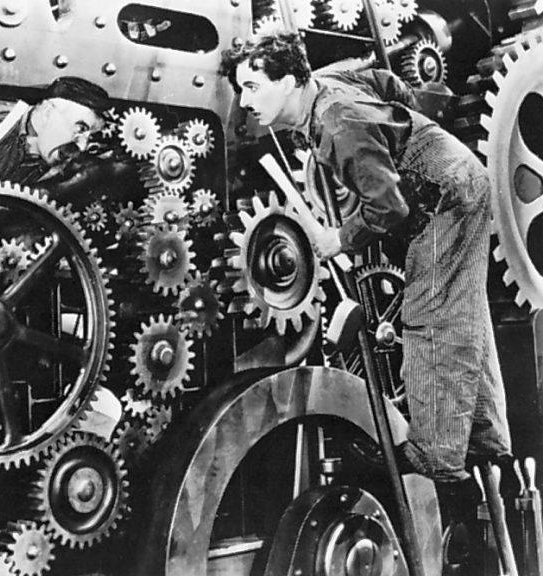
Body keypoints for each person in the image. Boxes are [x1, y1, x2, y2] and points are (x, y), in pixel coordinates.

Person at [221, 33, 515, 520]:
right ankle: (484, 438)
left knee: (430, 312)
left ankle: (438, 458)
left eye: (253, 86)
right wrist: (403, 132)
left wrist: (341, 238)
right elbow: (388, 84)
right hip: (453, 180)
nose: (246, 100)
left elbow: (388, 206)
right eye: (241, 88)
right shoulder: (328, 86)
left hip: (444, 196)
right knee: (463, 309)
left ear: (291, 80)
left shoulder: (337, 123)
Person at [0, 76, 109, 187]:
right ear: (46, 114)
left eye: (89, 137)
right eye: (80, 128)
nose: (82, 145)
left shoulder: (52, 165)